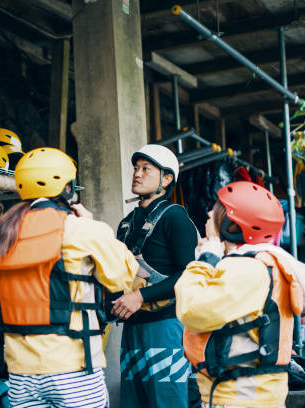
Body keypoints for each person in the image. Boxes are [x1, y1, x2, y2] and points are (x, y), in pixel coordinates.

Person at [0, 147, 137, 408]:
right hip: (73, 366)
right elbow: (121, 278)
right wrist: (94, 225)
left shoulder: (0, 233)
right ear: (68, 188)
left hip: (21, 372)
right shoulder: (80, 229)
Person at [175, 181, 305, 408]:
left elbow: (193, 310)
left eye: (216, 209)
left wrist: (205, 260)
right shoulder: (263, 264)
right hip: (248, 396)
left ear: (231, 224)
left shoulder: (247, 269)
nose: (208, 213)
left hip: (239, 398)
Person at [112, 144, 200, 408]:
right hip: (131, 328)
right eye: (136, 168)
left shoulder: (176, 218)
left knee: (167, 402)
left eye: (146, 169)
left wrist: (141, 295)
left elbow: (188, 275)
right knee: (132, 402)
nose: (137, 174)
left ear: (167, 178)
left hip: (165, 328)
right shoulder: (126, 223)